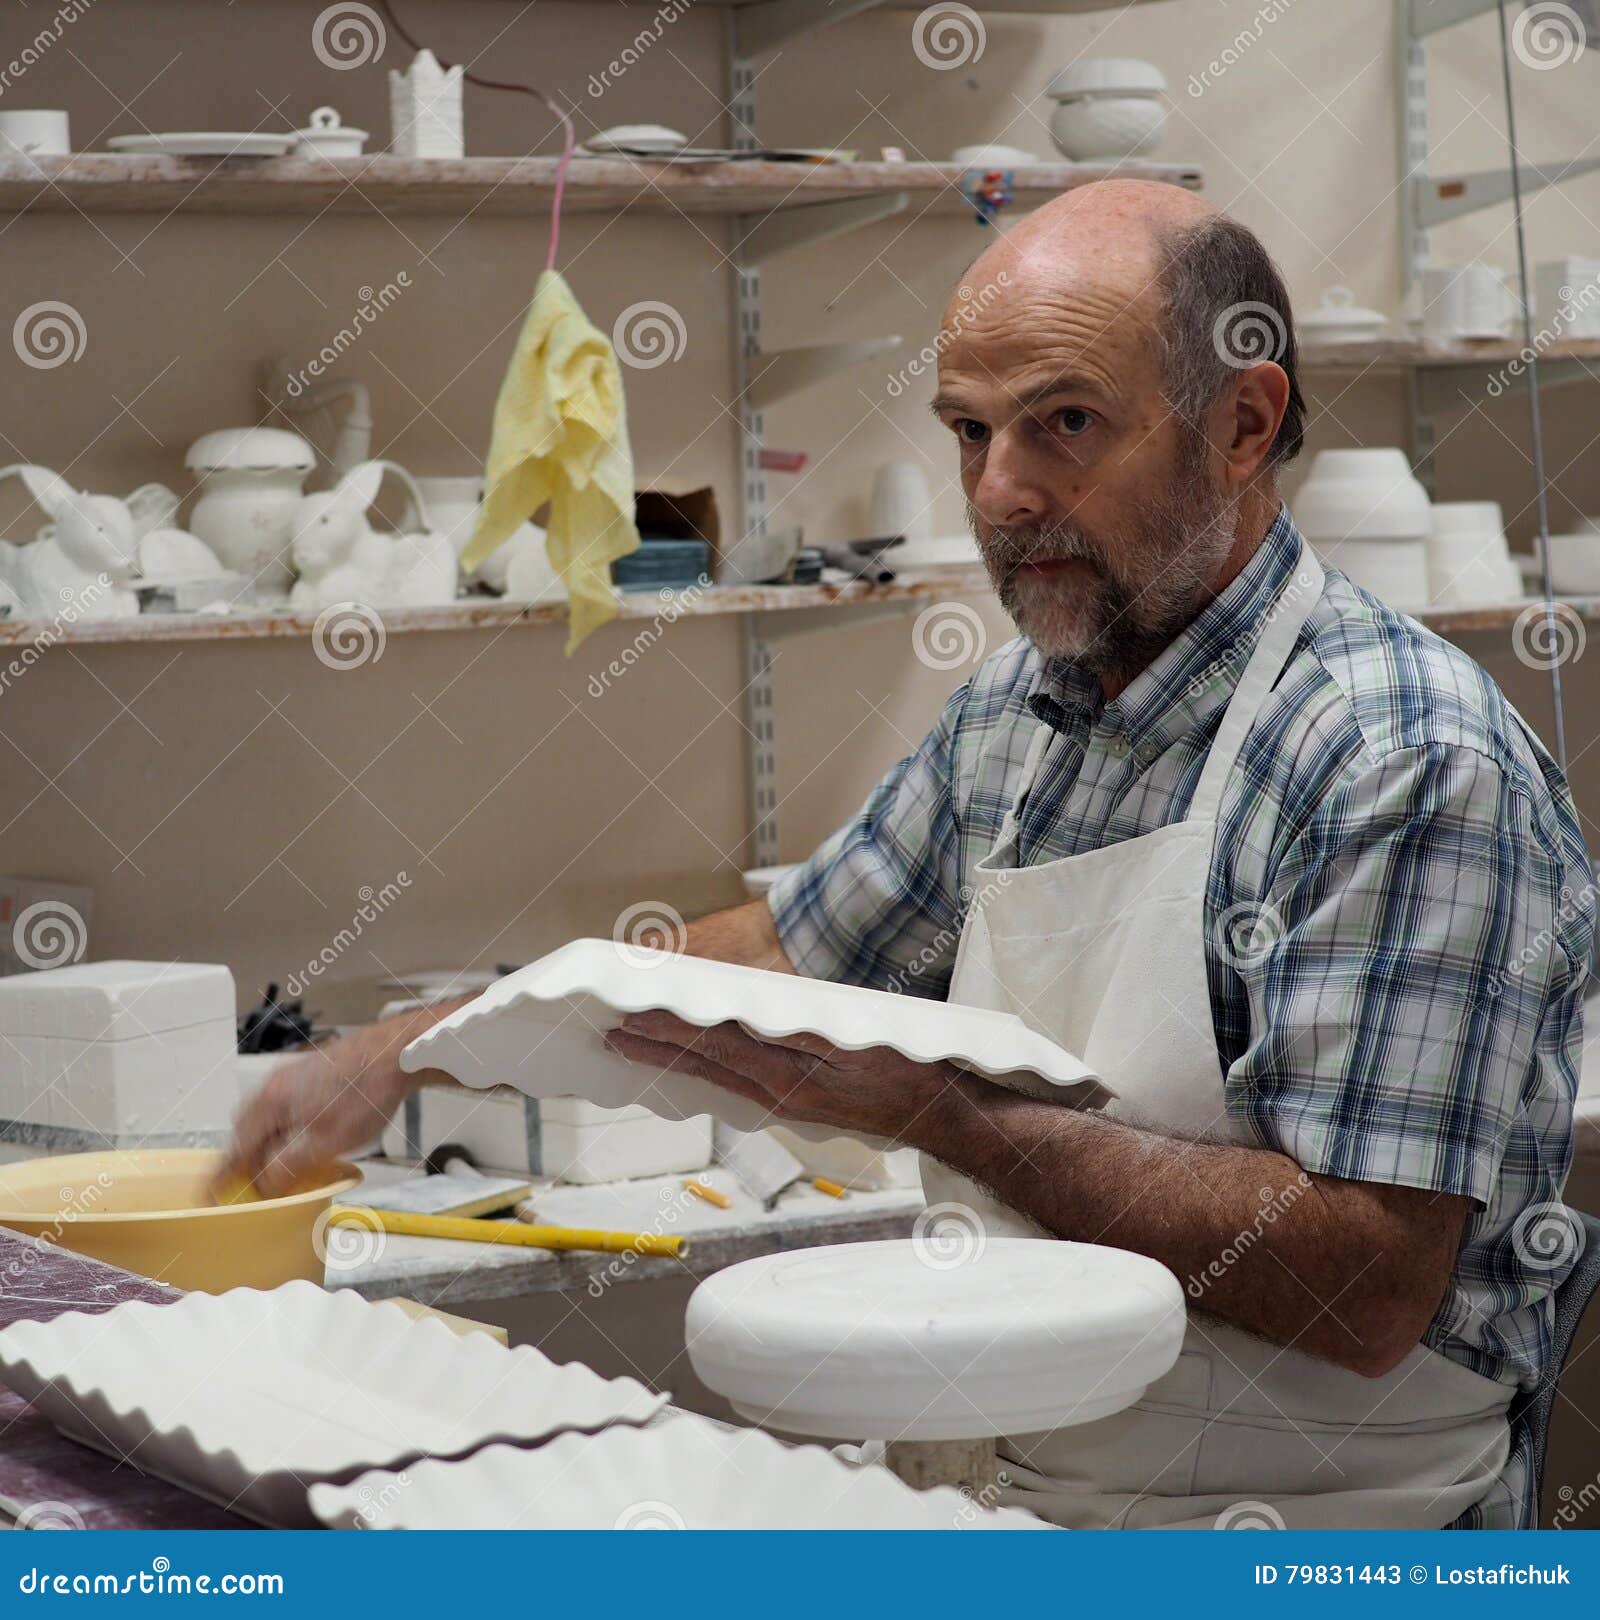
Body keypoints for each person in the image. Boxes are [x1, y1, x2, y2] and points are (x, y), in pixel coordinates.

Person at [223, 181, 1590, 1530]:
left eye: (1065, 424)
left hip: (1346, 1529)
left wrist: (942, 1114)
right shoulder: (1018, 717)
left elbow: (1363, 1289)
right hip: (1056, 1489)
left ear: (1243, 422)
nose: (1002, 492)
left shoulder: (1398, 756)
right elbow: (788, 949)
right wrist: (412, 1045)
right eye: (970, 432)